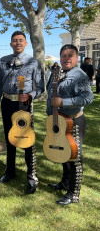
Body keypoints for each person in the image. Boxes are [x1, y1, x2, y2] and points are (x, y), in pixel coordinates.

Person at [0, 31, 44, 194]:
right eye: (14, 41)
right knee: (10, 139)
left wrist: (30, 95)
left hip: (24, 105)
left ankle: (31, 177)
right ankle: (9, 172)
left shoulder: (33, 62)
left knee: (27, 141)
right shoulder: (3, 61)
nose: (17, 43)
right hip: (7, 102)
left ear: (26, 43)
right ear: (10, 44)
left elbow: (40, 87)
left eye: (20, 40)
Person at [46, 44, 93, 205]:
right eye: (63, 55)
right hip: (59, 120)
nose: (66, 58)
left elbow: (88, 98)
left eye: (70, 55)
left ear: (76, 58)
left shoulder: (80, 75)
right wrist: (50, 115)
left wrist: (63, 102)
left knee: (74, 157)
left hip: (75, 120)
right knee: (64, 155)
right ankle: (65, 183)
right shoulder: (57, 73)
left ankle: (73, 194)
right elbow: (50, 95)